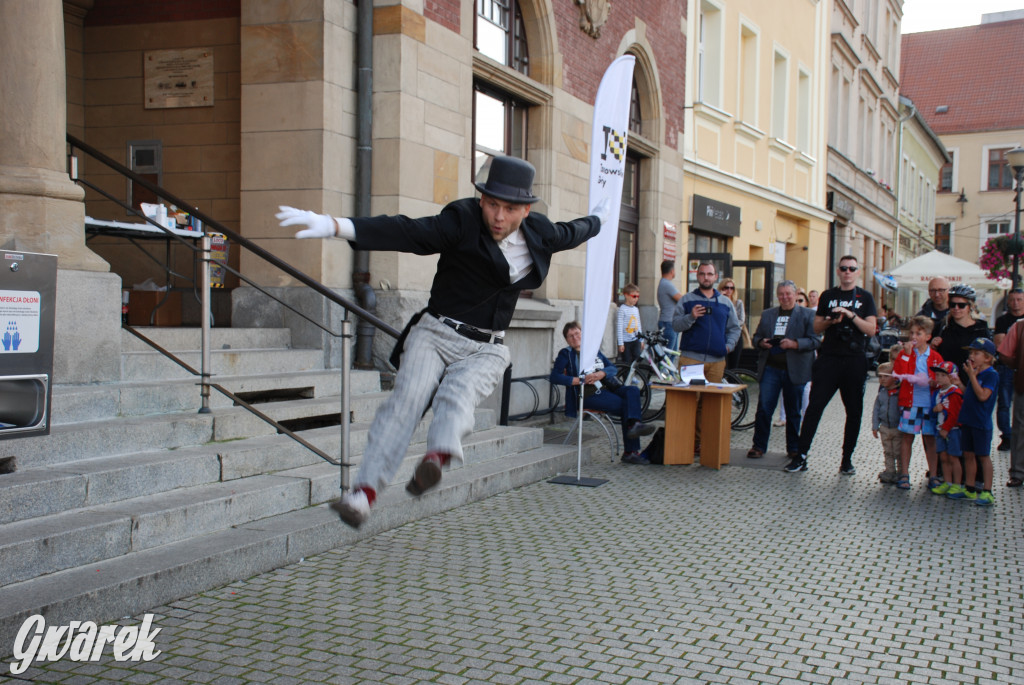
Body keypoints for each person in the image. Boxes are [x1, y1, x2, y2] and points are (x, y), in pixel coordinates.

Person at [277, 156, 606, 527]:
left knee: (457, 395)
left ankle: (436, 459)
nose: (499, 216)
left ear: (526, 210)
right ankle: (362, 495)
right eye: (492, 204)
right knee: (406, 402)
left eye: (510, 209)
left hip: (487, 347)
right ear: (481, 200)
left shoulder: (540, 233)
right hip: (435, 334)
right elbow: (408, 231)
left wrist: (598, 219)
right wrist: (336, 225)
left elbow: (573, 230)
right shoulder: (461, 220)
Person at [788, 255, 877, 475]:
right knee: (814, 407)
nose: (847, 272)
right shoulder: (829, 295)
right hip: (829, 358)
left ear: (858, 272)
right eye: (844, 268)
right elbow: (817, 327)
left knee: (854, 411)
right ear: (838, 271)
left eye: (852, 268)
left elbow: (871, 329)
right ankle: (801, 455)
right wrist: (831, 320)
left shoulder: (865, 297)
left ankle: (847, 460)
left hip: (855, 359)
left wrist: (851, 315)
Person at [550, 321, 655, 463]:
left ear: (582, 333)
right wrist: (580, 380)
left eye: (577, 333)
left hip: (607, 388)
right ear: (567, 340)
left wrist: (601, 374)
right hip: (586, 395)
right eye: (570, 336)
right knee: (627, 406)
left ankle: (634, 426)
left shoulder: (593, 350)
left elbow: (613, 368)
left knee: (633, 390)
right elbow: (555, 377)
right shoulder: (566, 354)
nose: (575, 338)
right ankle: (631, 450)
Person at [746, 281, 819, 461]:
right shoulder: (768, 314)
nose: (784, 297)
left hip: (795, 369)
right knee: (764, 409)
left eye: (788, 294)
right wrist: (761, 342)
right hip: (771, 368)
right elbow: (756, 337)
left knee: (793, 411)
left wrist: (795, 344)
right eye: (781, 294)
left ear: (795, 294)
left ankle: (794, 447)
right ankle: (759, 446)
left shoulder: (808, 315)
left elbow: (816, 341)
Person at [673, 262, 740, 451]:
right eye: (702, 274)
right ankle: (685, 442)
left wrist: (728, 346)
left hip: (716, 362)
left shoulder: (726, 302)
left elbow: (734, 328)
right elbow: (675, 326)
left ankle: (701, 443)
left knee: (708, 404)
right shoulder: (687, 300)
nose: (706, 277)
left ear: (715, 277)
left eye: (709, 274)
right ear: (697, 276)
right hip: (691, 360)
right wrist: (691, 317)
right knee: (689, 402)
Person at [890, 316, 943, 491]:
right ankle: (904, 473)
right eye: (911, 332)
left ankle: (934, 474)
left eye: (918, 333)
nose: (913, 336)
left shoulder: (935, 356)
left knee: (930, 439)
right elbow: (899, 374)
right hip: (910, 403)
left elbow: (942, 377)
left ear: (927, 336)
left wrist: (936, 382)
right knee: (907, 437)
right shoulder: (906, 354)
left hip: (929, 404)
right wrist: (905, 355)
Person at [948, 339, 999, 506]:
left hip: (980, 422)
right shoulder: (975, 373)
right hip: (967, 419)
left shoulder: (991, 374)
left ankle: (987, 491)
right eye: (971, 353)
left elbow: (983, 395)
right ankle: (969, 488)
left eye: (976, 353)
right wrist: (961, 385)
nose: (972, 356)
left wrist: (971, 376)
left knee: (983, 456)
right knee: (968, 454)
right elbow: (969, 394)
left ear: (988, 358)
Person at [931, 284, 990, 386]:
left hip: (973, 383)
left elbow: (988, 358)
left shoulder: (981, 328)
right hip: (947, 384)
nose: (956, 308)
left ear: (970, 307)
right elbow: (931, 355)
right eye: (952, 305)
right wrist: (932, 346)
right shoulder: (942, 327)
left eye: (961, 305)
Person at [992, 289, 1024, 451]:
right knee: (1004, 403)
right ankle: (1007, 436)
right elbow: (1000, 344)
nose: (1016, 303)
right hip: (1006, 366)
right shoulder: (1003, 320)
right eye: (1012, 300)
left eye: (1019, 299)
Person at [928, 361, 964, 496]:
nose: (938, 378)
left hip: (952, 430)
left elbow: (955, 414)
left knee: (953, 457)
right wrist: (935, 410)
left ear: (951, 377)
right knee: (943, 457)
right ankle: (947, 482)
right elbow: (933, 412)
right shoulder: (937, 393)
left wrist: (946, 428)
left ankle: (957, 484)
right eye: (937, 375)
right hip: (939, 428)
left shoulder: (954, 392)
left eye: (943, 375)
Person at [997, 318, 1024, 488]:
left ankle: (1018, 472)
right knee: (1020, 427)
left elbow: (1006, 354)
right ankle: (1017, 472)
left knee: (1021, 428)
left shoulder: (1020, 326)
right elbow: (1005, 353)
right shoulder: (1019, 326)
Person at [871, 362, 902, 484]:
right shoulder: (881, 394)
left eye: (886, 376)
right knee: (888, 451)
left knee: (898, 451)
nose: (882, 379)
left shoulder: (899, 394)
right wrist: (875, 426)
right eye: (880, 376)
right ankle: (889, 471)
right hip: (884, 427)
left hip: (897, 427)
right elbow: (876, 410)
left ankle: (901, 472)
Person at [719, 276, 746, 369]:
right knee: (723, 365)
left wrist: (729, 324)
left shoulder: (738, 303)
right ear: (721, 289)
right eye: (726, 288)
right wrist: (720, 298)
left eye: (731, 288)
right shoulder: (718, 301)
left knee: (734, 365)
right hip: (722, 336)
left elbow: (741, 320)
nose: (729, 290)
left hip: (735, 335)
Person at [657, 260, 682, 351]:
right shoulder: (667, 284)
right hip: (668, 322)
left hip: (670, 322)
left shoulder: (664, 283)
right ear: (672, 271)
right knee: (668, 354)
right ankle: (660, 366)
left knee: (672, 353)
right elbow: (681, 299)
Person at [616, 283, 643, 364]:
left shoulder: (636, 309)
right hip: (626, 341)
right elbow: (619, 326)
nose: (636, 299)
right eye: (634, 296)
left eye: (637, 297)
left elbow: (638, 325)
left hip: (635, 339)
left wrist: (641, 339)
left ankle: (634, 375)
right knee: (626, 361)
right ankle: (626, 376)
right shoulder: (622, 309)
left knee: (637, 359)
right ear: (626, 295)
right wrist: (620, 343)